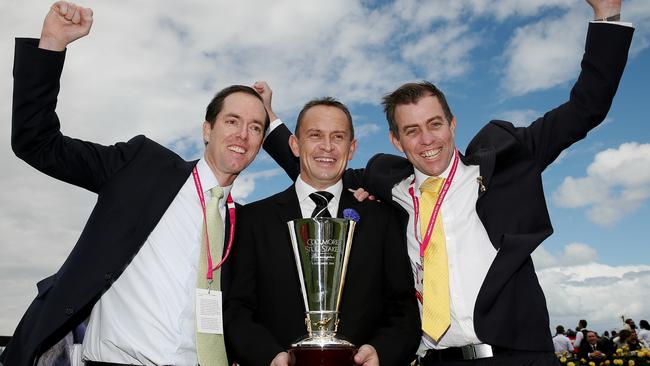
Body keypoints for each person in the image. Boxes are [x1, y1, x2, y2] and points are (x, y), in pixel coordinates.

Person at [262, 0, 634, 364]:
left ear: (452, 124)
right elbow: (319, 167)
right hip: (434, 358)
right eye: (412, 130)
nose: (427, 140)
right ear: (396, 140)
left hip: (518, 355)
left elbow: (586, 108)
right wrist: (269, 119)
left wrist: (607, 14)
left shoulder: (507, 162)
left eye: (435, 124)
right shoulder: (388, 185)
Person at [0, 2, 270, 365]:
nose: (243, 134)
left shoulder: (243, 226)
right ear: (207, 129)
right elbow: (38, 143)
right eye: (232, 121)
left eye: (255, 127)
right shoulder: (143, 166)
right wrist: (51, 45)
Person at [224, 98, 421, 366]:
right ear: (295, 144)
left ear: (351, 148)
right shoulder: (253, 220)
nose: (327, 147)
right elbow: (237, 310)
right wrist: (269, 357)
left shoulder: (381, 219)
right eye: (315, 135)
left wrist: (379, 353)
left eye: (337, 137)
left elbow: (403, 311)